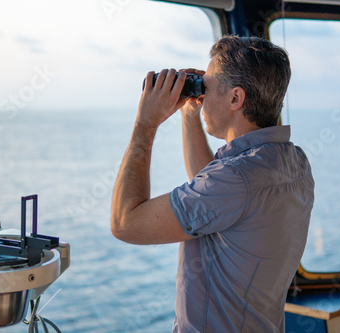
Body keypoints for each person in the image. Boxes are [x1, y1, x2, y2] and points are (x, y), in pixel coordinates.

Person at [111, 35, 314, 332]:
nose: (202, 96)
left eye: (207, 87)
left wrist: (146, 123)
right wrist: (190, 117)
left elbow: (125, 223)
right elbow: (215, 199)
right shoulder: (293, 161)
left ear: (235, 98)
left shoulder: (235, 179)